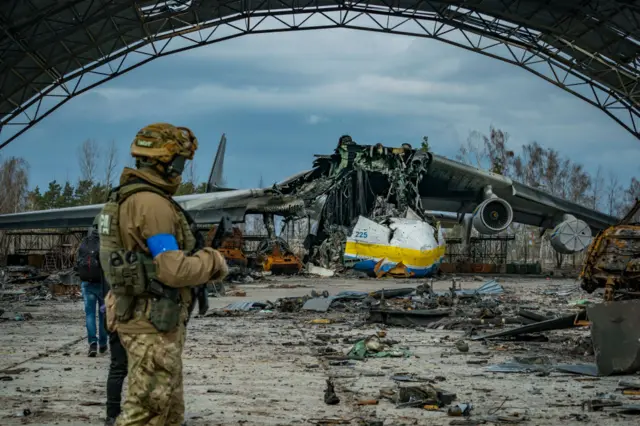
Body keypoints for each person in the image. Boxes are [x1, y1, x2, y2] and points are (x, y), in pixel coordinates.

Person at [98, 123, 228, 426]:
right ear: (164, 161)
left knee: (168, 409)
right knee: (146, 410)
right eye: (180, 161)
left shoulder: (125, 197)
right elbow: (173, 269)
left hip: (140, 315)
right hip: (151, 322)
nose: (181, 169)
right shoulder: (152, 204)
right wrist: (213, 261)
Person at [76, 222, 108, 357]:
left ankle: (92, 344)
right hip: (102, 284)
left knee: (89, 315)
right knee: (103, 315)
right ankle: (102, 344)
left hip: (87, 284)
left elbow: (78, 262)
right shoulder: (105, 243)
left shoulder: (84, 243)